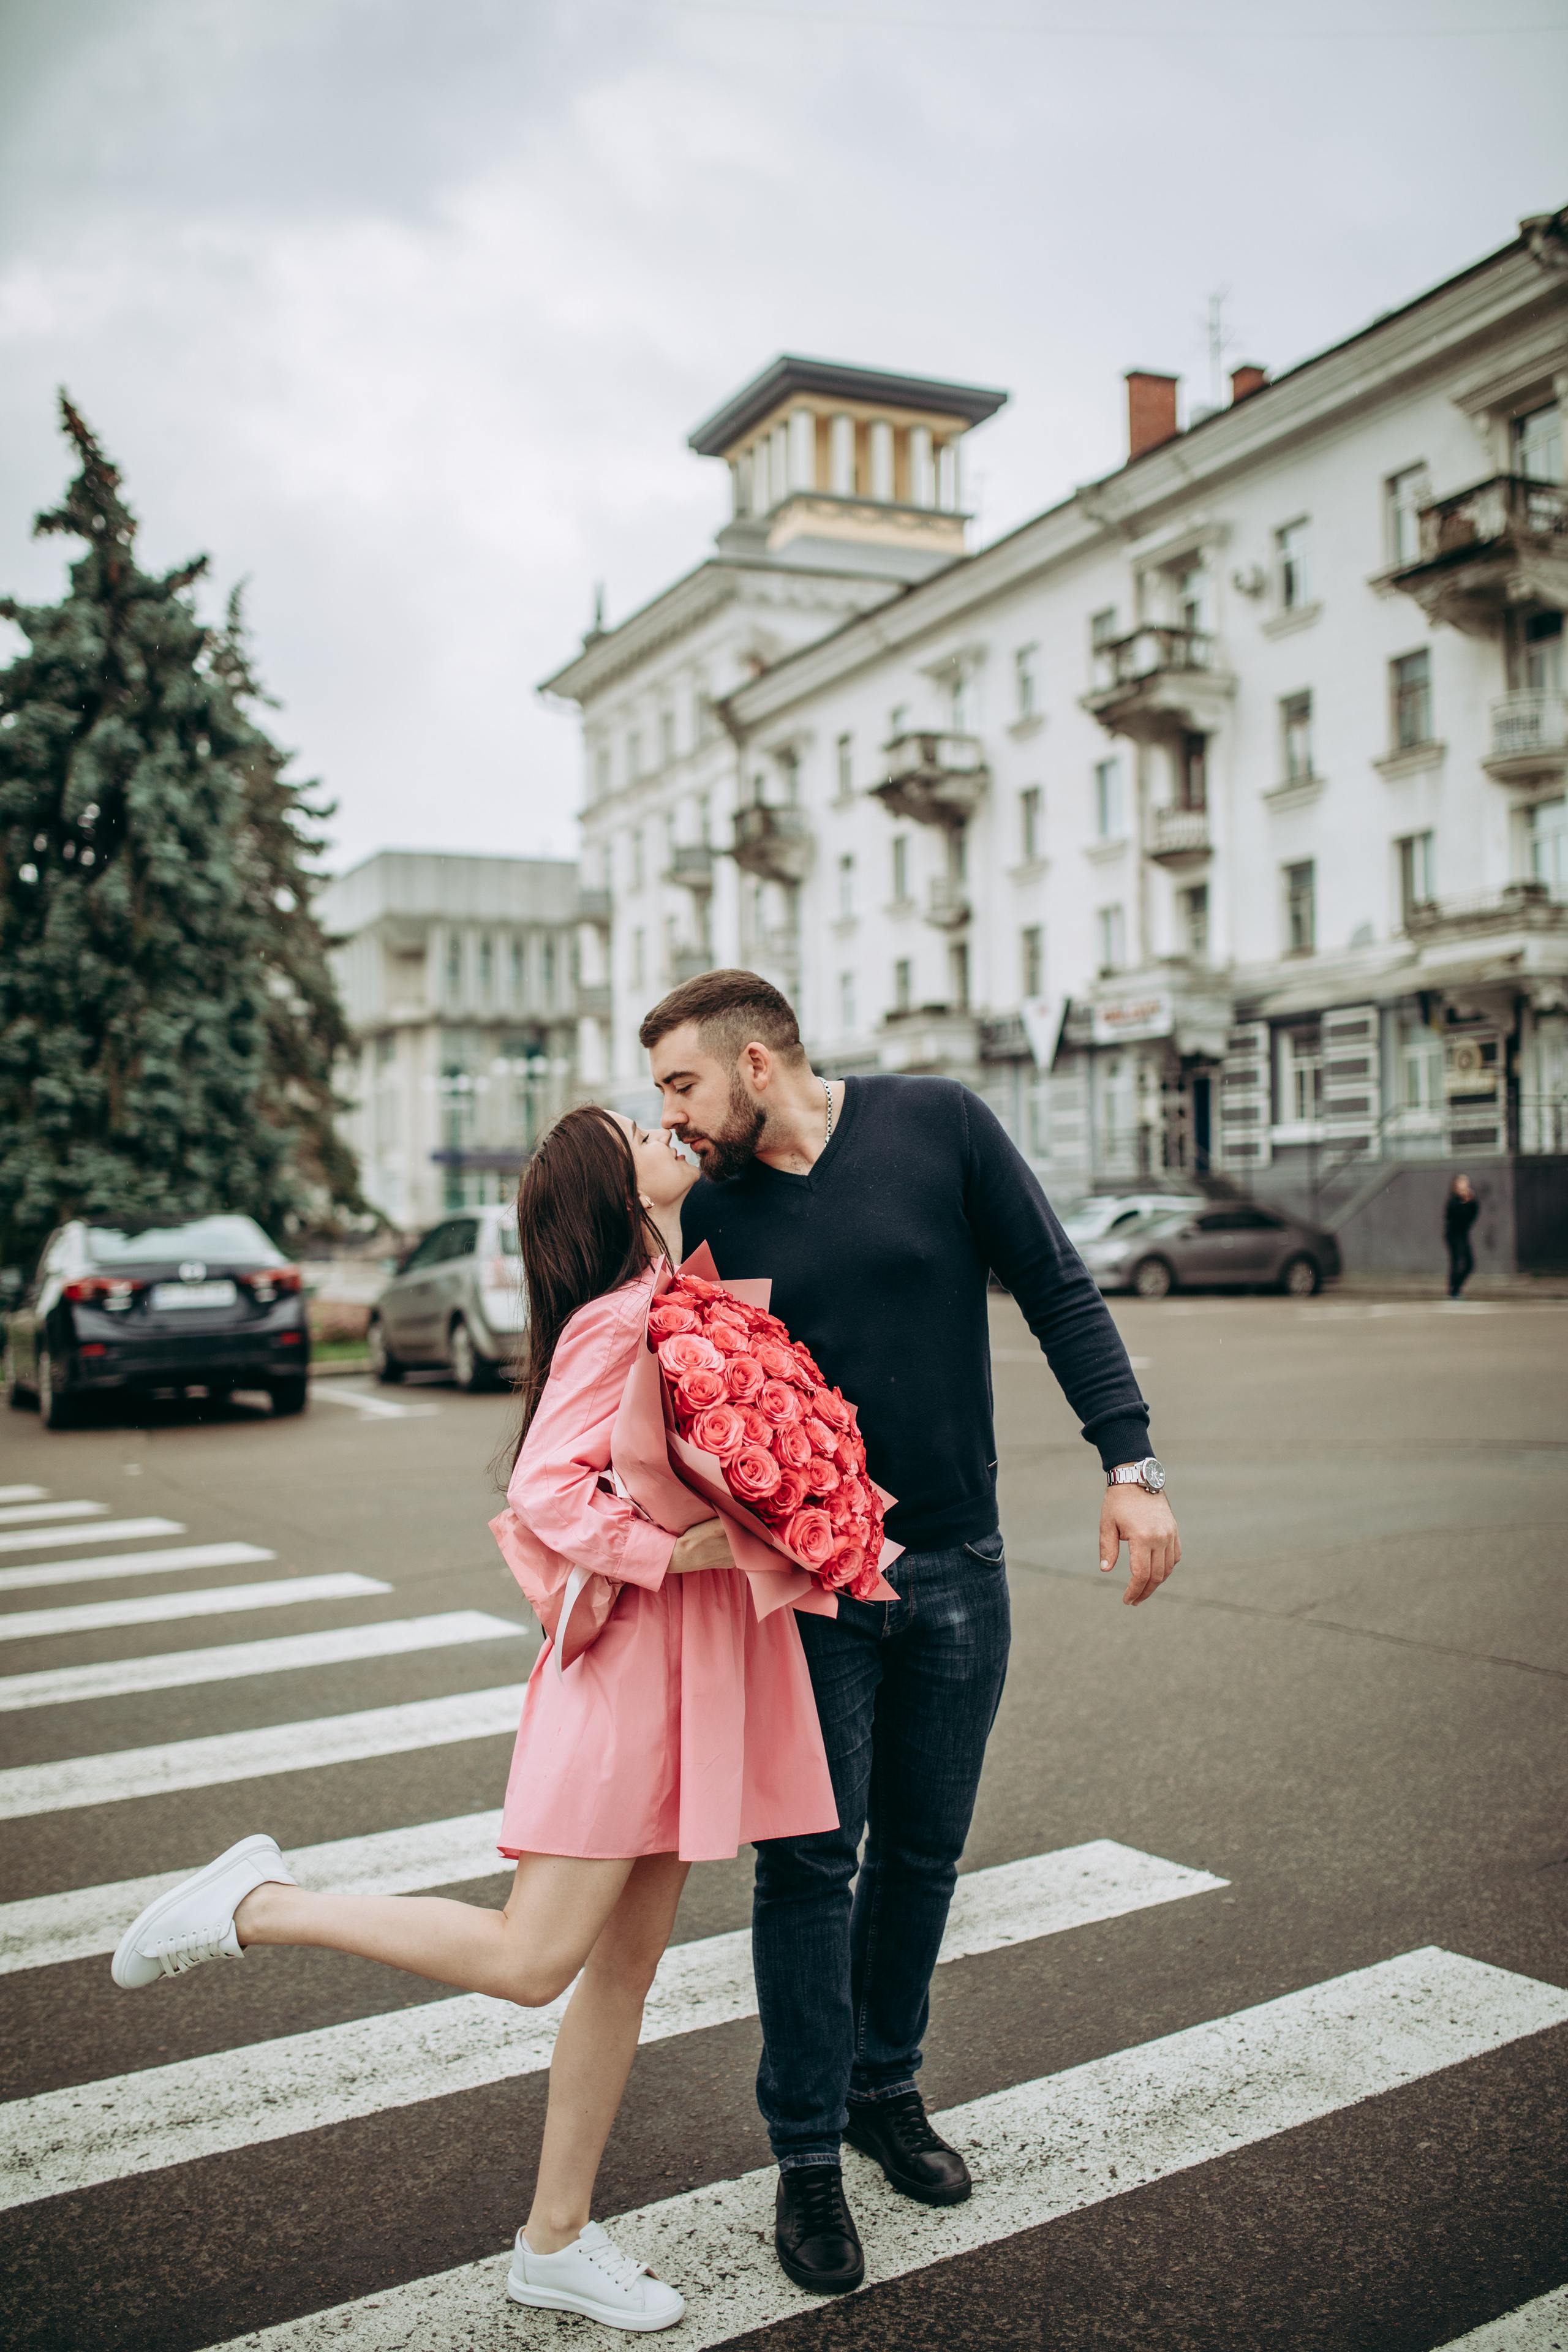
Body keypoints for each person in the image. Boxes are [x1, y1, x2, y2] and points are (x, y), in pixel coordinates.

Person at [108, 1104, 838, 2335]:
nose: (669, 1128)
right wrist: (688, 1549)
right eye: (639, 1128)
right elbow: (545, 1490)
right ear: (614, 1189)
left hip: (683, 1669)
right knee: (532, 1961)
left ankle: (553, 2240)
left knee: (623, 1969)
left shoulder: (680, 1293)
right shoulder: (621, 1317)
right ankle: (255, 1905)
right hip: (628, 1674)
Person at [642, 968, 1180, 2298]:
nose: (671, 1114)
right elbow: (667, 1369)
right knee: (809, 1867)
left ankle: (885, 2092)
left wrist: (1131, 1462)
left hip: (956, 1559)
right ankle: (806, 2161)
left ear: (756, 1063)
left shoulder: (937, 1124)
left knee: (925, 1852)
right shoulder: (699, 1204)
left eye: (681, 1085)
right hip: (808, 1586)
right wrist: (655, 1235)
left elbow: (1056, 1287)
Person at [1445, 1173, 1480, 1297]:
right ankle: (1453, 1292)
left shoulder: (1470, 1200)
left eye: (1466, 1182)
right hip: (1453, 1236)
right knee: (1456, 1262)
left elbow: (1472, 1216)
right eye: (1462, 1182)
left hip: (1463, 1235)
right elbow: (1456, 1216)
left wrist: (1471, 1202)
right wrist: (1464, 1203)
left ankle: (1456, 1288)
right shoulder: (1453, 1201)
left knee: (1469, 1264)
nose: (1465, 1185)